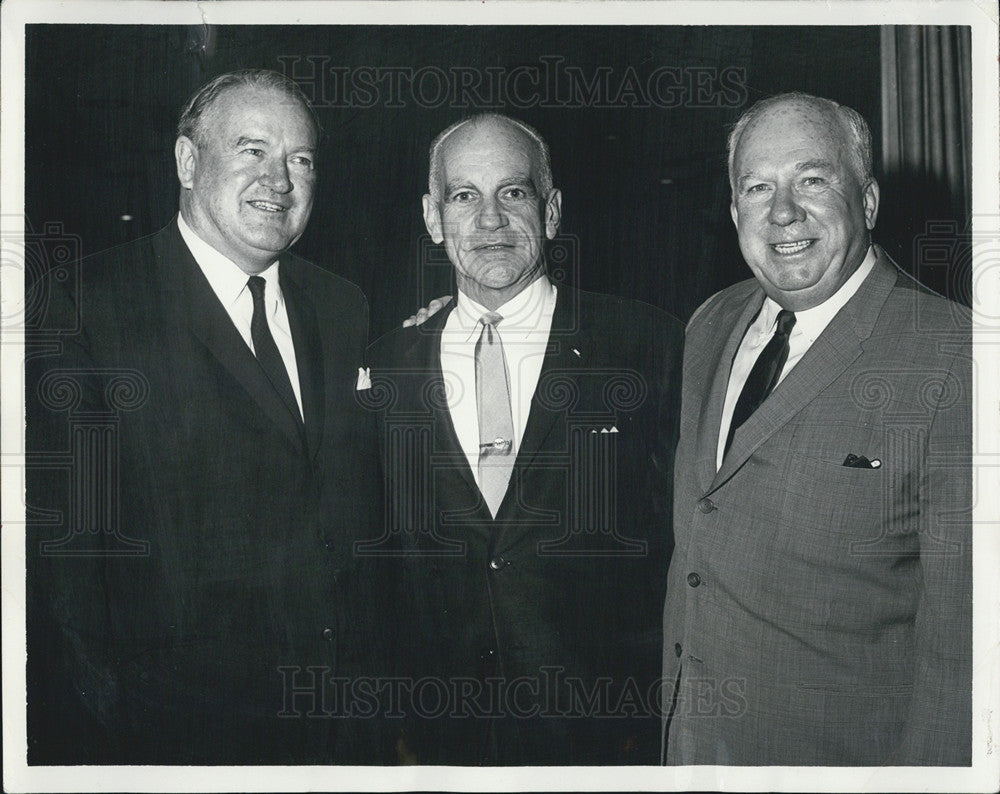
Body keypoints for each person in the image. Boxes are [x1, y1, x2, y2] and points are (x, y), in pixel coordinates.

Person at [25, 70, 388, 764]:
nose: (279, 180)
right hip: (174, 732)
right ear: (188, 161)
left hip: (339, 725)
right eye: (252, 150)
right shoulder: (87, 305)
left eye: (300, 159)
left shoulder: (344, 305)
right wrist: (112, 726)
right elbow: (62, 553)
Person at [661, 92, 972, 765]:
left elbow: (965, 654)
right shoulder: (709, 324)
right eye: (757, 186)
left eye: (811, 179)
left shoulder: (957, 357)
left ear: (866, 202)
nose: (782, 212)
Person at [363, 113, 684, 765]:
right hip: (439, 740)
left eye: (513, 192)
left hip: (603, 740)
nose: (489, 221)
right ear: (433, 218)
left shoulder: (646, 345)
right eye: (463, 196)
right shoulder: (386, 365)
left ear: (552, 209)